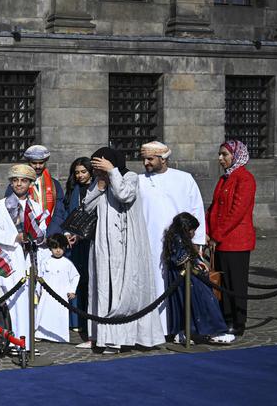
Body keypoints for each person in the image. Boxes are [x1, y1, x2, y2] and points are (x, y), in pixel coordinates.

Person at [79, 148, 163, 353]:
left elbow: (124, 195)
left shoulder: (129, 177)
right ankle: (107, 338)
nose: (97, 170)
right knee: (105, 289)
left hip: (126, 244)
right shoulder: (100, 181)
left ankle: (132, 336)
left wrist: (112, 172)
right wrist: (99, 187)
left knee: (125, 289)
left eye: (100, 165)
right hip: (103, 245)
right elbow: (87, 207)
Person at [137, 141, 206, 336]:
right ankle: (155, 329)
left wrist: (197, 243)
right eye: (144, 159)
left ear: (163, 159)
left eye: (150, 159)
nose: (146, 163)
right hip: (149, 242)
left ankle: (181, 328)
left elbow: (196, 210)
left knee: (180, 287)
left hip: (180, 245)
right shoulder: (139, 181)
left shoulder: (184, 179)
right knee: (155, 286)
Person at [0, 164, 49, 352]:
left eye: (23, 181)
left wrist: (37, 236)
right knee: (13, 301)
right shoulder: (2, 204)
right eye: (15, 180)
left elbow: (43, 232)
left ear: (30, 183)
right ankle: (15, 341)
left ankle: (28, 342)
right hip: (11, 258)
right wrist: (14, 237)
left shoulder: (36, 206)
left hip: (29, 258)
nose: (19, 184)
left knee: (29, 300)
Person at [207, 140, 256, 337]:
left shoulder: (245, 179)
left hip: (236, 242)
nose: (220, 158)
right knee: (223, 283)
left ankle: (238, 321)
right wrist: (207, 230)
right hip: (220, 241)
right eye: (220, 154)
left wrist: (216, 235)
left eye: (225, 155)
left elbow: (236, 213)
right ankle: (225, 317)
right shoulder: (224, 178)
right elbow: (214, 207)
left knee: (236, 283)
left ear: (235, 156)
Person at [164, 212, 233, 344]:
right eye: (192, 230)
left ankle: (184, 332)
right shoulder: (177, 239)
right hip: (187, 277)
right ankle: (214, 332)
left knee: (186, 305)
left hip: (185, 276)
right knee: (205, 301)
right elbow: (179, 259)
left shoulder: (176, 237)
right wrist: (194, 260)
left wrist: (198, 261)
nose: (194, 233)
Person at [63, 157, 94, 340]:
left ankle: (89, 319)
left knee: (89, 280)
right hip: (74, 243)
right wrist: (68, 233)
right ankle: (77, 320)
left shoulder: (96, 188)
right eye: (77, 172)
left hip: (90, 240)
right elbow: (67, 213)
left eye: (83, 172)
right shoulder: (73, 190)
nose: (80, 175)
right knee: (76, 280)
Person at [6, 145, 66, 235]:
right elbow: (11, 210)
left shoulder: (54, 184)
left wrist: (51, 232)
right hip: (25, 233)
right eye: (34, 163)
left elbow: (59, 210)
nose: (38, 166)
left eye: (41, 163)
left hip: (50, 232)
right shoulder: (17, 185)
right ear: (28, 162)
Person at [35, 234, 80, 344]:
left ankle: (59, 336)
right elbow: (40, 276)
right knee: (44, 313)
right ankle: (41, 333)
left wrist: (72, 290)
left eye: (61, 248)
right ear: (50, 248)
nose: (58, 251)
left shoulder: (67, 263)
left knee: (60, 314)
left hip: (61, 294)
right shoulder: (45, 261)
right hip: (47, 294)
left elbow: (75, 276)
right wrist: (38, 291)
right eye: (55, 248)